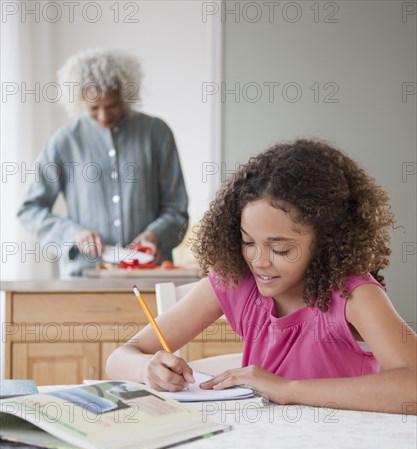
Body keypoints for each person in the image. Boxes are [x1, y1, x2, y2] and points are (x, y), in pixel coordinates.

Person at [106, 139, 417, 414]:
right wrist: (147, 367)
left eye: (280, 249)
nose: (259, 262)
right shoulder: (235, 283)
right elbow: (118, 359)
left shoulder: (354, 296)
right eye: (248, 242)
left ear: (326, 241)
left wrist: (287, 389)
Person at [17, 48, 189, 276]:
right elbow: (29, 209)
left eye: (112, 106)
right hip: (84, 277)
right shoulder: (63, 142)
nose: (104, 116)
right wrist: (73, 234)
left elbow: (177, 208)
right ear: (79, 102)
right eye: (94, 108)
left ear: (125, 94)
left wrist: (156, 234)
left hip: (150, 274)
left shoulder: (157, 133)